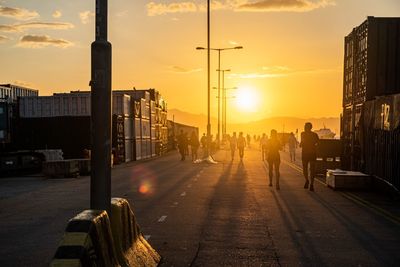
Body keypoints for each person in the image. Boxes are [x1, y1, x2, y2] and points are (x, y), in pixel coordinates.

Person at [300, 122, 319, 191]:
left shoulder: (303, 134)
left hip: (306, 153)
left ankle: (309, 182)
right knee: (310, 169)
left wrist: (302, 144)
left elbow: (302, 143)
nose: (304, 127)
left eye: (305, 126)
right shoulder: (314, 134)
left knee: (306, 169)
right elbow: (317, 143)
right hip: (311, 153)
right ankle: (310, 183)